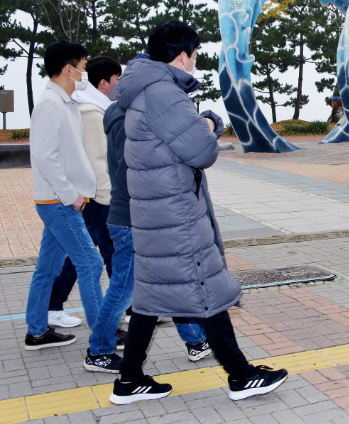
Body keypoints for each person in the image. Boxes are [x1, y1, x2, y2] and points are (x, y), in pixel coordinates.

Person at [109, 21, 287, 405]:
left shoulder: (144, 88)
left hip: (158, 210)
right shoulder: (162, 94)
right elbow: (201, 151)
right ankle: (239, 375)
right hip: (174, 213)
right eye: (194, 55)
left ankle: (128, 379)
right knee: (205, 289)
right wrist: (210, 122)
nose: (194, 62)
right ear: (181, 55)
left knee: (152, 297)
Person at [91, 53, 212, 377]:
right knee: (124, 288)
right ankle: (99, 349)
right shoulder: (133, 116)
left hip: (131, 215)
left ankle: (195, 341)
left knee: (164, 282)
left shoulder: (121, 113)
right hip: (134, 217)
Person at [24, 41, 103, 351]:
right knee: (91, 264)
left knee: (48, 268)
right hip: (58, 202)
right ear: (69, 69)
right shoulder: (49, 104)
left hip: (59, 200)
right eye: (82, 68)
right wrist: (72, 195)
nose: (84, 74)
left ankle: (37, 331)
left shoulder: (62, 102)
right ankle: (103, 335)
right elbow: (45, 157)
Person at [47, 56, 122, 332]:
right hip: (98, 199)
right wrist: (107, 199)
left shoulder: (97, 108)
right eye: (118, 80)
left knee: (83, 256)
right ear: (104, 84)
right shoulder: (92, 113)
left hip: (93, 198)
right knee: (109, 255)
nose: (120, 85)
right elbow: (96, 162)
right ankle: (122, 310)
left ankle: (53, 306)